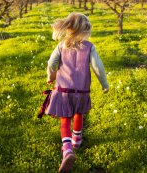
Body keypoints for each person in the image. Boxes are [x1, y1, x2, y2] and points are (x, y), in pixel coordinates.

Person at [43, 12, 109, 173]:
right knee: (79, 113)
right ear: (85, 30)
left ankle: (67, 150)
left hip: (63, 90)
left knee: (65, 119)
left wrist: (51, 76)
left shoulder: (62, 45)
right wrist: (104, 84)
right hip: (82, 91)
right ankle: (76, 141)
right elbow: (97, 66)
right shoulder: (90, 47)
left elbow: (52, 63)